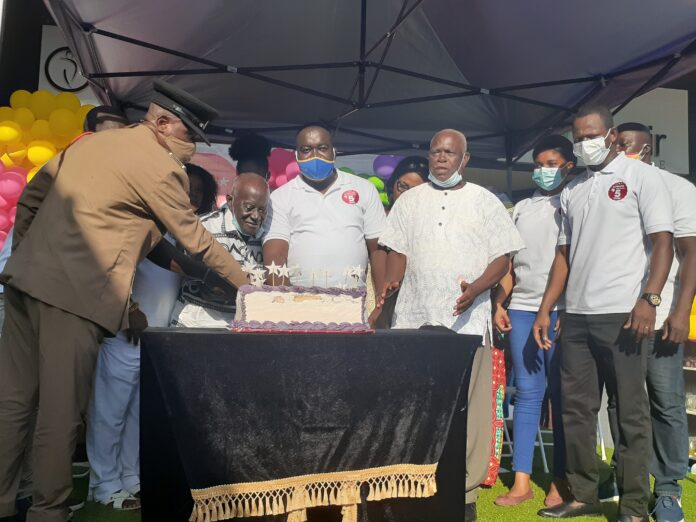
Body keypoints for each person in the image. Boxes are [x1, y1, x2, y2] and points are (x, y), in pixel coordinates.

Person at [0, 79, 249, 522]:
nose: (192, 146)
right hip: (75, 299)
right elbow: (196, 239)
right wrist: (249, 285)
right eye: (189, 134)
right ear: (162, 123)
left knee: (13, 402)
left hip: (26, 284)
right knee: (60, 413)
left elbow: (32, 199)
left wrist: (27, 258)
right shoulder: (160, 166)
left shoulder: (90, 144)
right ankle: (48, 510)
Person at [374, 129, 525, 521]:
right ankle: (407, 482)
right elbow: (397, 252)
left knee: (468, 410)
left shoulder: (485, 201)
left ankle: (465, 491)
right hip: (414, 319)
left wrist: (478, 288)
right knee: (412, 405)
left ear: (465, 159)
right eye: (436, 152)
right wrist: (391, 283)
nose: (441, 158)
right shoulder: (409, 201)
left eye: (449, 152)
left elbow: (503, 258)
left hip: (467, 323)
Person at [533, 106, 674, 522]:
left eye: (591, 135)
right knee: (575, 411)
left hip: (623, 314)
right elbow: (563, 257)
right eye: (578, 138)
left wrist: (649, 300)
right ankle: (583, 494)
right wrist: (546, 309)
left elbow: (663, 243)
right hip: (576, 316)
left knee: (629, 412)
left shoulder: (642, 177)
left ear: (611, 135)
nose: (584, 143)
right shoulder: (573, 189)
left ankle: (633, 506)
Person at [601, 122, 695, 522]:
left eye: (626, 145)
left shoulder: (677, 189)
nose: (618, 150)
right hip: (614, 316)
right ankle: (627, 478)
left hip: (662, 317)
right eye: (615, 144)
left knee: (666, 401)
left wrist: (680, 312)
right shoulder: (605, 188)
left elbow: (690, 254)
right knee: (621, 402)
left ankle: (669, 488)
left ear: (647, 149)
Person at [492, 135, 575, 508]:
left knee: (561, 396)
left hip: (562, 311)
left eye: (552, 164)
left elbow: (573, 260)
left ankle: (560, 481)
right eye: (539, 164)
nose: (544, 170)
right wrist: (499, 302)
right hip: (523, 310)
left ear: (569, 166)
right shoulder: (522, 208)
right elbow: (510, 265)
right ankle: (521, 481)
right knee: (527, 394)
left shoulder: (574, 201)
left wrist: (564, 309)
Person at [263, 124, 386, 291]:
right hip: (300, 300)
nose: (315, 156)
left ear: (334, 152)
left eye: (322, 148)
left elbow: (378, 249)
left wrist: (380, 296)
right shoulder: (280, 197)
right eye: (306, 150)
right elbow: (276, 254)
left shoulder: (364, 189)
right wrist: (284, 299)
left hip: (353, 299)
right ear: (297, 155)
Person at [171, 173, 269, 328]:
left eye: (262, 210)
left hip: (240, 328)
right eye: (249, 208)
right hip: (193, 324)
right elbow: (182, 265)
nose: (256, 216)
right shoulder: (203, 227)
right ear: (230, 201)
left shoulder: (267, 238)